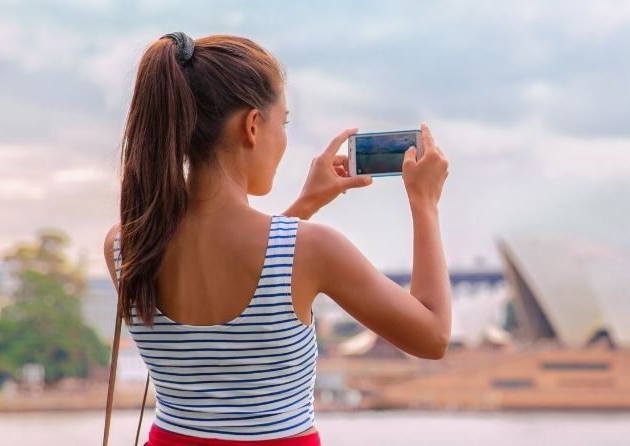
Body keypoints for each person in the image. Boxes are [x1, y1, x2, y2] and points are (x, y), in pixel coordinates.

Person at [102, 32, 451, 445]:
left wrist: (305, 204)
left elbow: (233, 265)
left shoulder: (125, 245)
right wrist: (424, 203)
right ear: (252, 126)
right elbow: (432, 336)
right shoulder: (313, 249)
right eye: (282, 123)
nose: (283, 139)